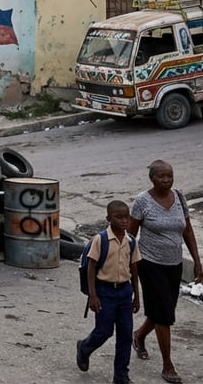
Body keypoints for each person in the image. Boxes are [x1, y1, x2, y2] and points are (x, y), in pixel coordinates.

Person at [129, 160, 202, 384]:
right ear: (152, 178)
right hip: (150, 264)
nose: (167, 180)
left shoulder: (179, 197)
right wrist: (127, 270)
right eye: (162, 176)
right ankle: (168, 365)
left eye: (170, 176)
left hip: (174, 264)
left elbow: (187, 231)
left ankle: (139, 336)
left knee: (164, 311)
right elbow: (130, 238)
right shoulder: (142, 202)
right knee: (164, 317)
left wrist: (198, 261)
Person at [77, 200, 140, 384]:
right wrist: (93, 295)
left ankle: (121, 375)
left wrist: (137, 295)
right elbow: (91, 267)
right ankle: (84, 348)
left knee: (125, 333)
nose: (123, 221)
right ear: (108, 218)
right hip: (104, 291)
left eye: (126, 217)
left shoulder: (131, 241)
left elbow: (134, 269)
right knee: (104, 331)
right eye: (118, 217)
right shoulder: (101, 239)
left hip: (124, 291)